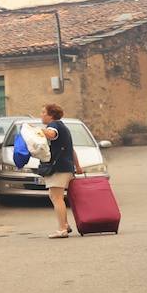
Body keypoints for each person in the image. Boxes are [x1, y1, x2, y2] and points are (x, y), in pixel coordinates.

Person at [41, 102, 83, 239]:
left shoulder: (54, 125)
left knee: (57, 198)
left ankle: (62, 229)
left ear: (51, 115)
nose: (41, 115)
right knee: (54, 196)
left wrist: (35, 130)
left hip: (59, 168)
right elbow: (72, 149)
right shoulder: (63, 126)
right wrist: (77, 166)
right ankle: (65, 224)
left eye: (43, 112)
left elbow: (52, 134)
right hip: (66, 167)